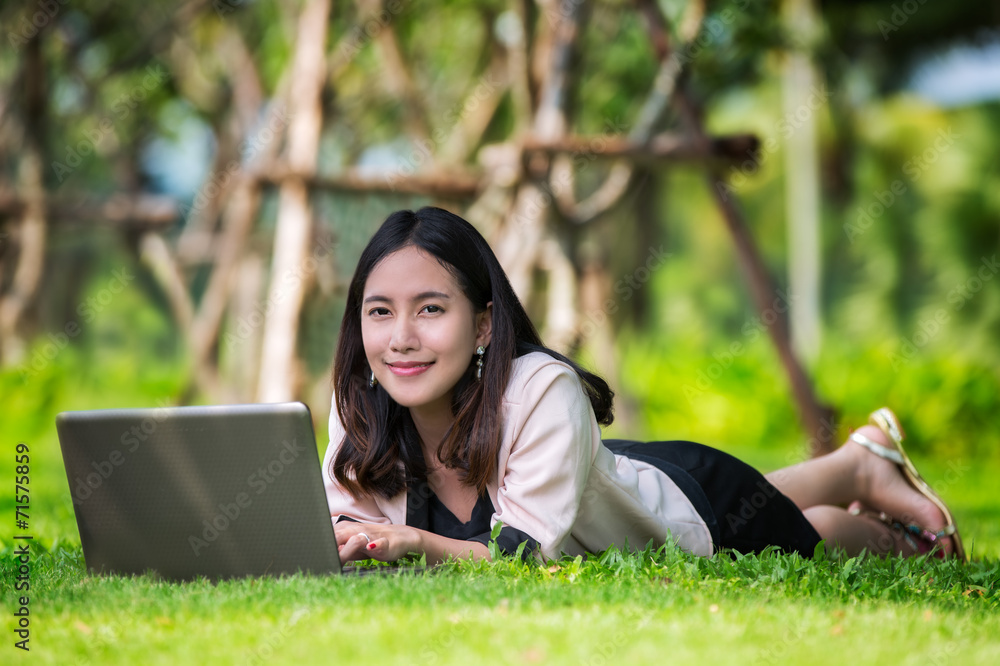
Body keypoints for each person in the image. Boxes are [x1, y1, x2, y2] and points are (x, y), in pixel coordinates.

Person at [322, 207, 965, 565]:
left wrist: (409, 543)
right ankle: (856, 464)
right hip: (620, 481)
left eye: (431, 309)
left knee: (810, 537)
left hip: (693, 508)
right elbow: (342, 520)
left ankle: (897, 534)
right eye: (380, 311)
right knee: (647, 491)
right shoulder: (361, 404)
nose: (400, 337)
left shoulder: (541, 388)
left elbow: (523, 554)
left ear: (485, 323)